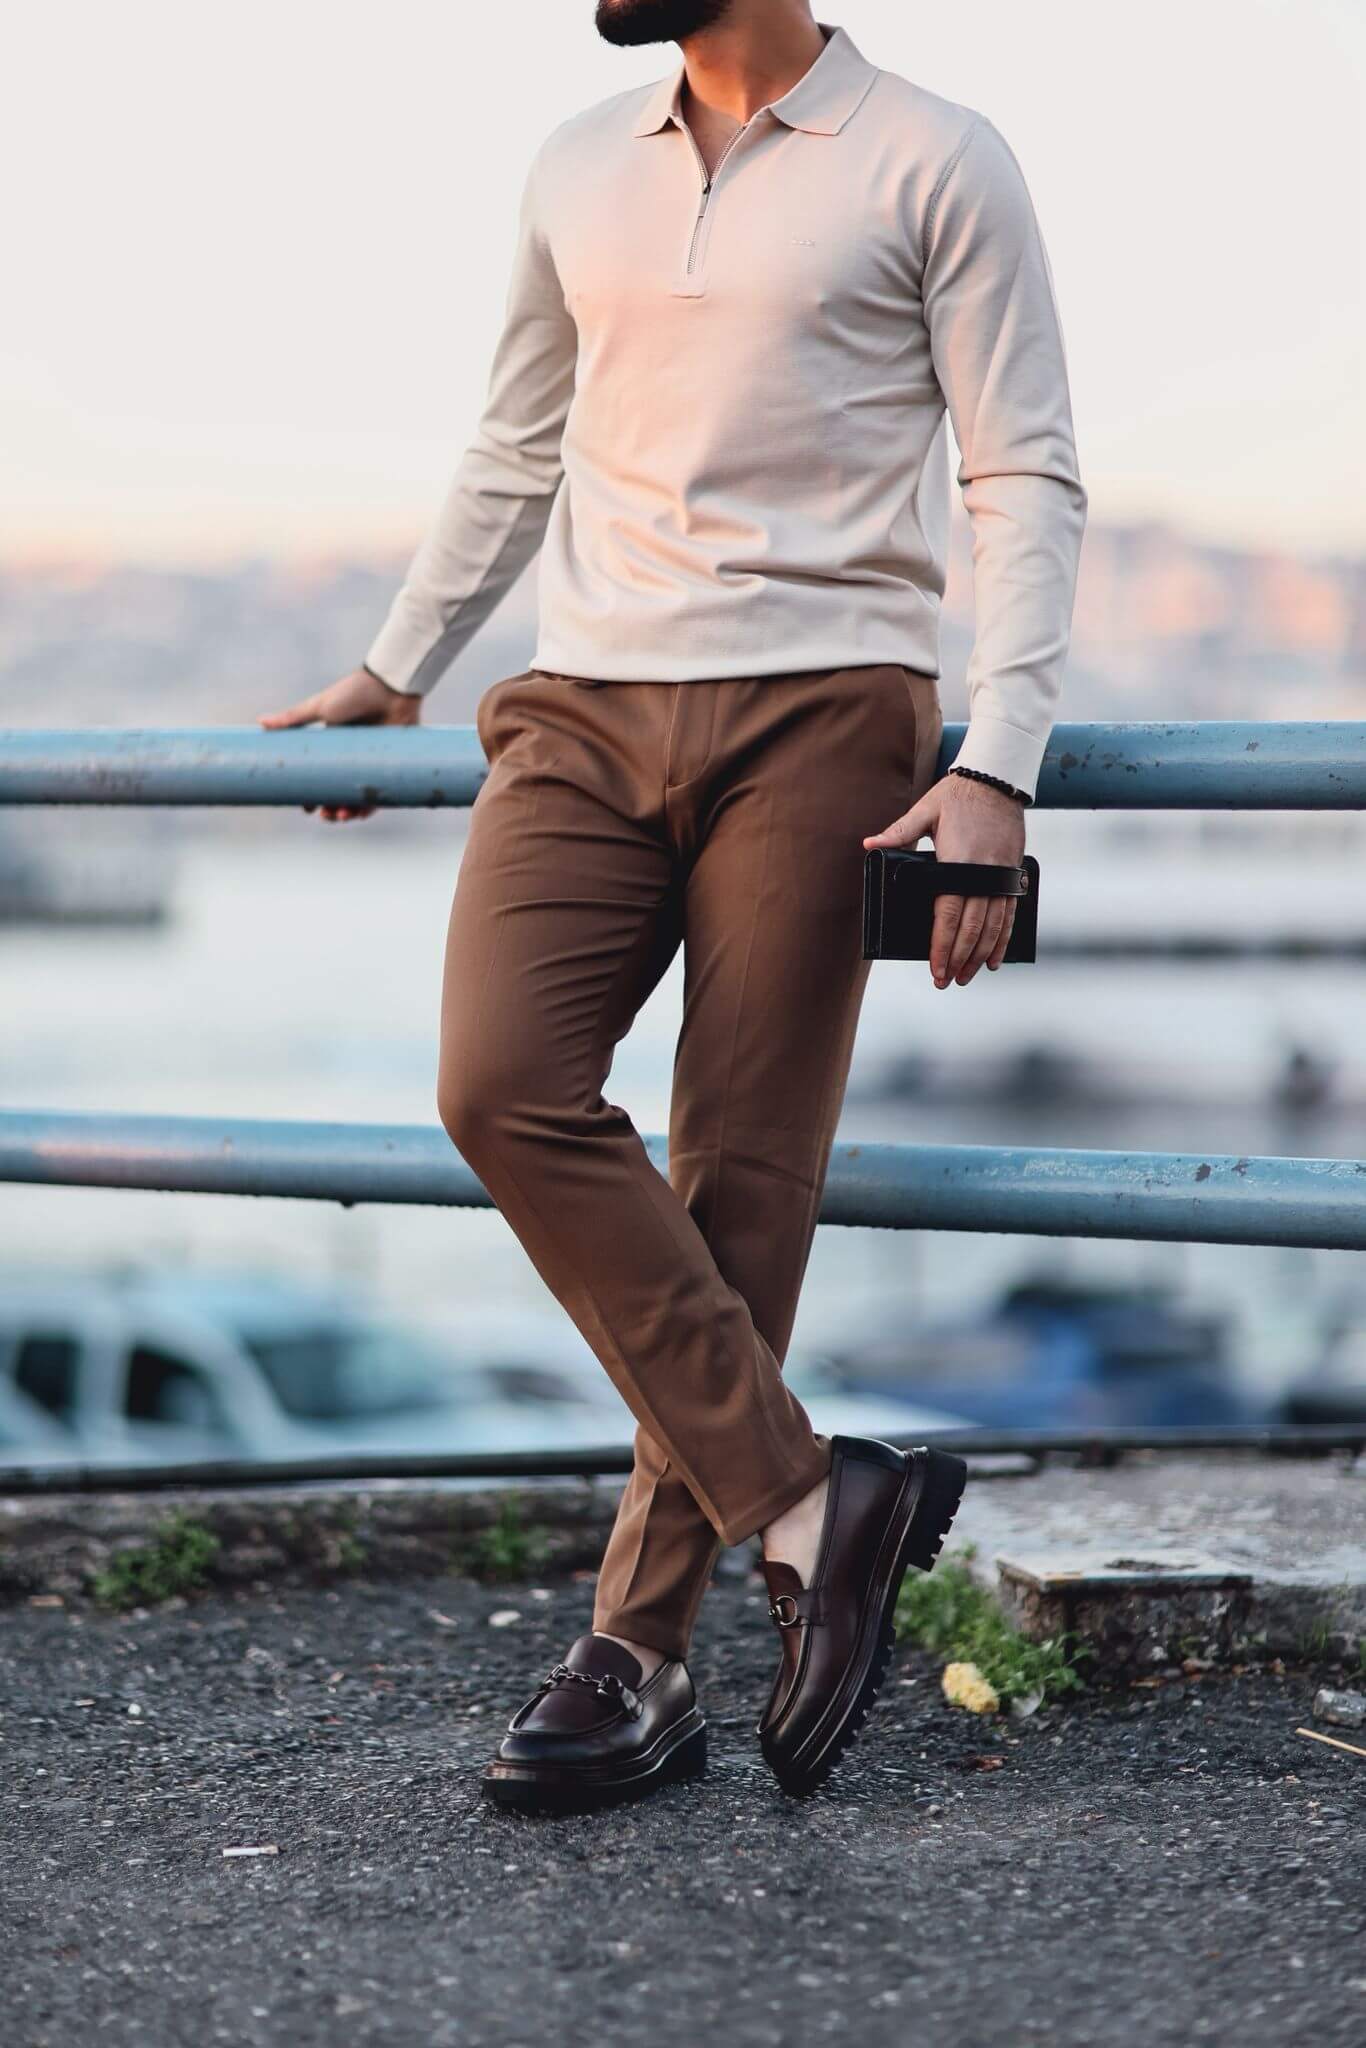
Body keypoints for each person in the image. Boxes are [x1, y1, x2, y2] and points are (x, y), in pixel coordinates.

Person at [261, 0, 1087, 1810]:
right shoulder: (576, 161)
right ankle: (808, 1498)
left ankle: (632, 1657)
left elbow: (1017, 468)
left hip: (829, 705)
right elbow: (514, 437)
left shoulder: (939, 154)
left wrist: (999, 761)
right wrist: (400, 668)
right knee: (499, 1086)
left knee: (740, 1174)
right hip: (579, 702)